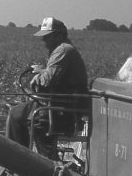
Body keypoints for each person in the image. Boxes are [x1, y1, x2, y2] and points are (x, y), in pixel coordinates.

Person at [6, 17, 88, 158]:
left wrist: (38, 75)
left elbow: (46, 82)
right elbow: (53, 76)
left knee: (33, 121)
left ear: (59, 35)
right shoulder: (60, 50)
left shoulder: (63, 50)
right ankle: (18, 159)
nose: (44, 41)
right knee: (15, 113)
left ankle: (40, 163)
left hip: (61, 107)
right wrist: (42, 71)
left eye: (47, 37)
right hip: (54, 102)